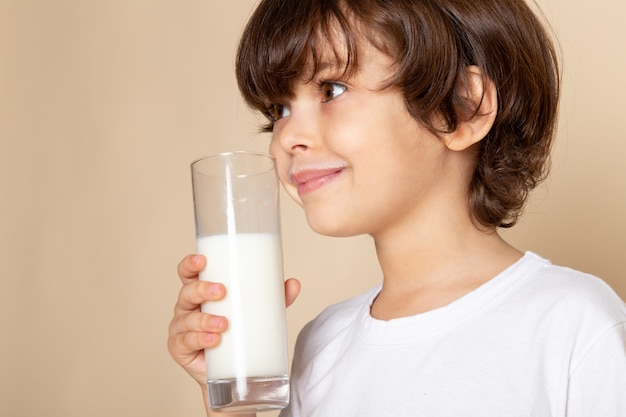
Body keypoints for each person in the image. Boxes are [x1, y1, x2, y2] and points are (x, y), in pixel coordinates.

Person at [168, 0, 626, 415]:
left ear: (462, 107)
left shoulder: (573, 325)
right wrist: (230, 404)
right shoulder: (320, 345)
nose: (287, 138)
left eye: (331, 90)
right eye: (278, 110)